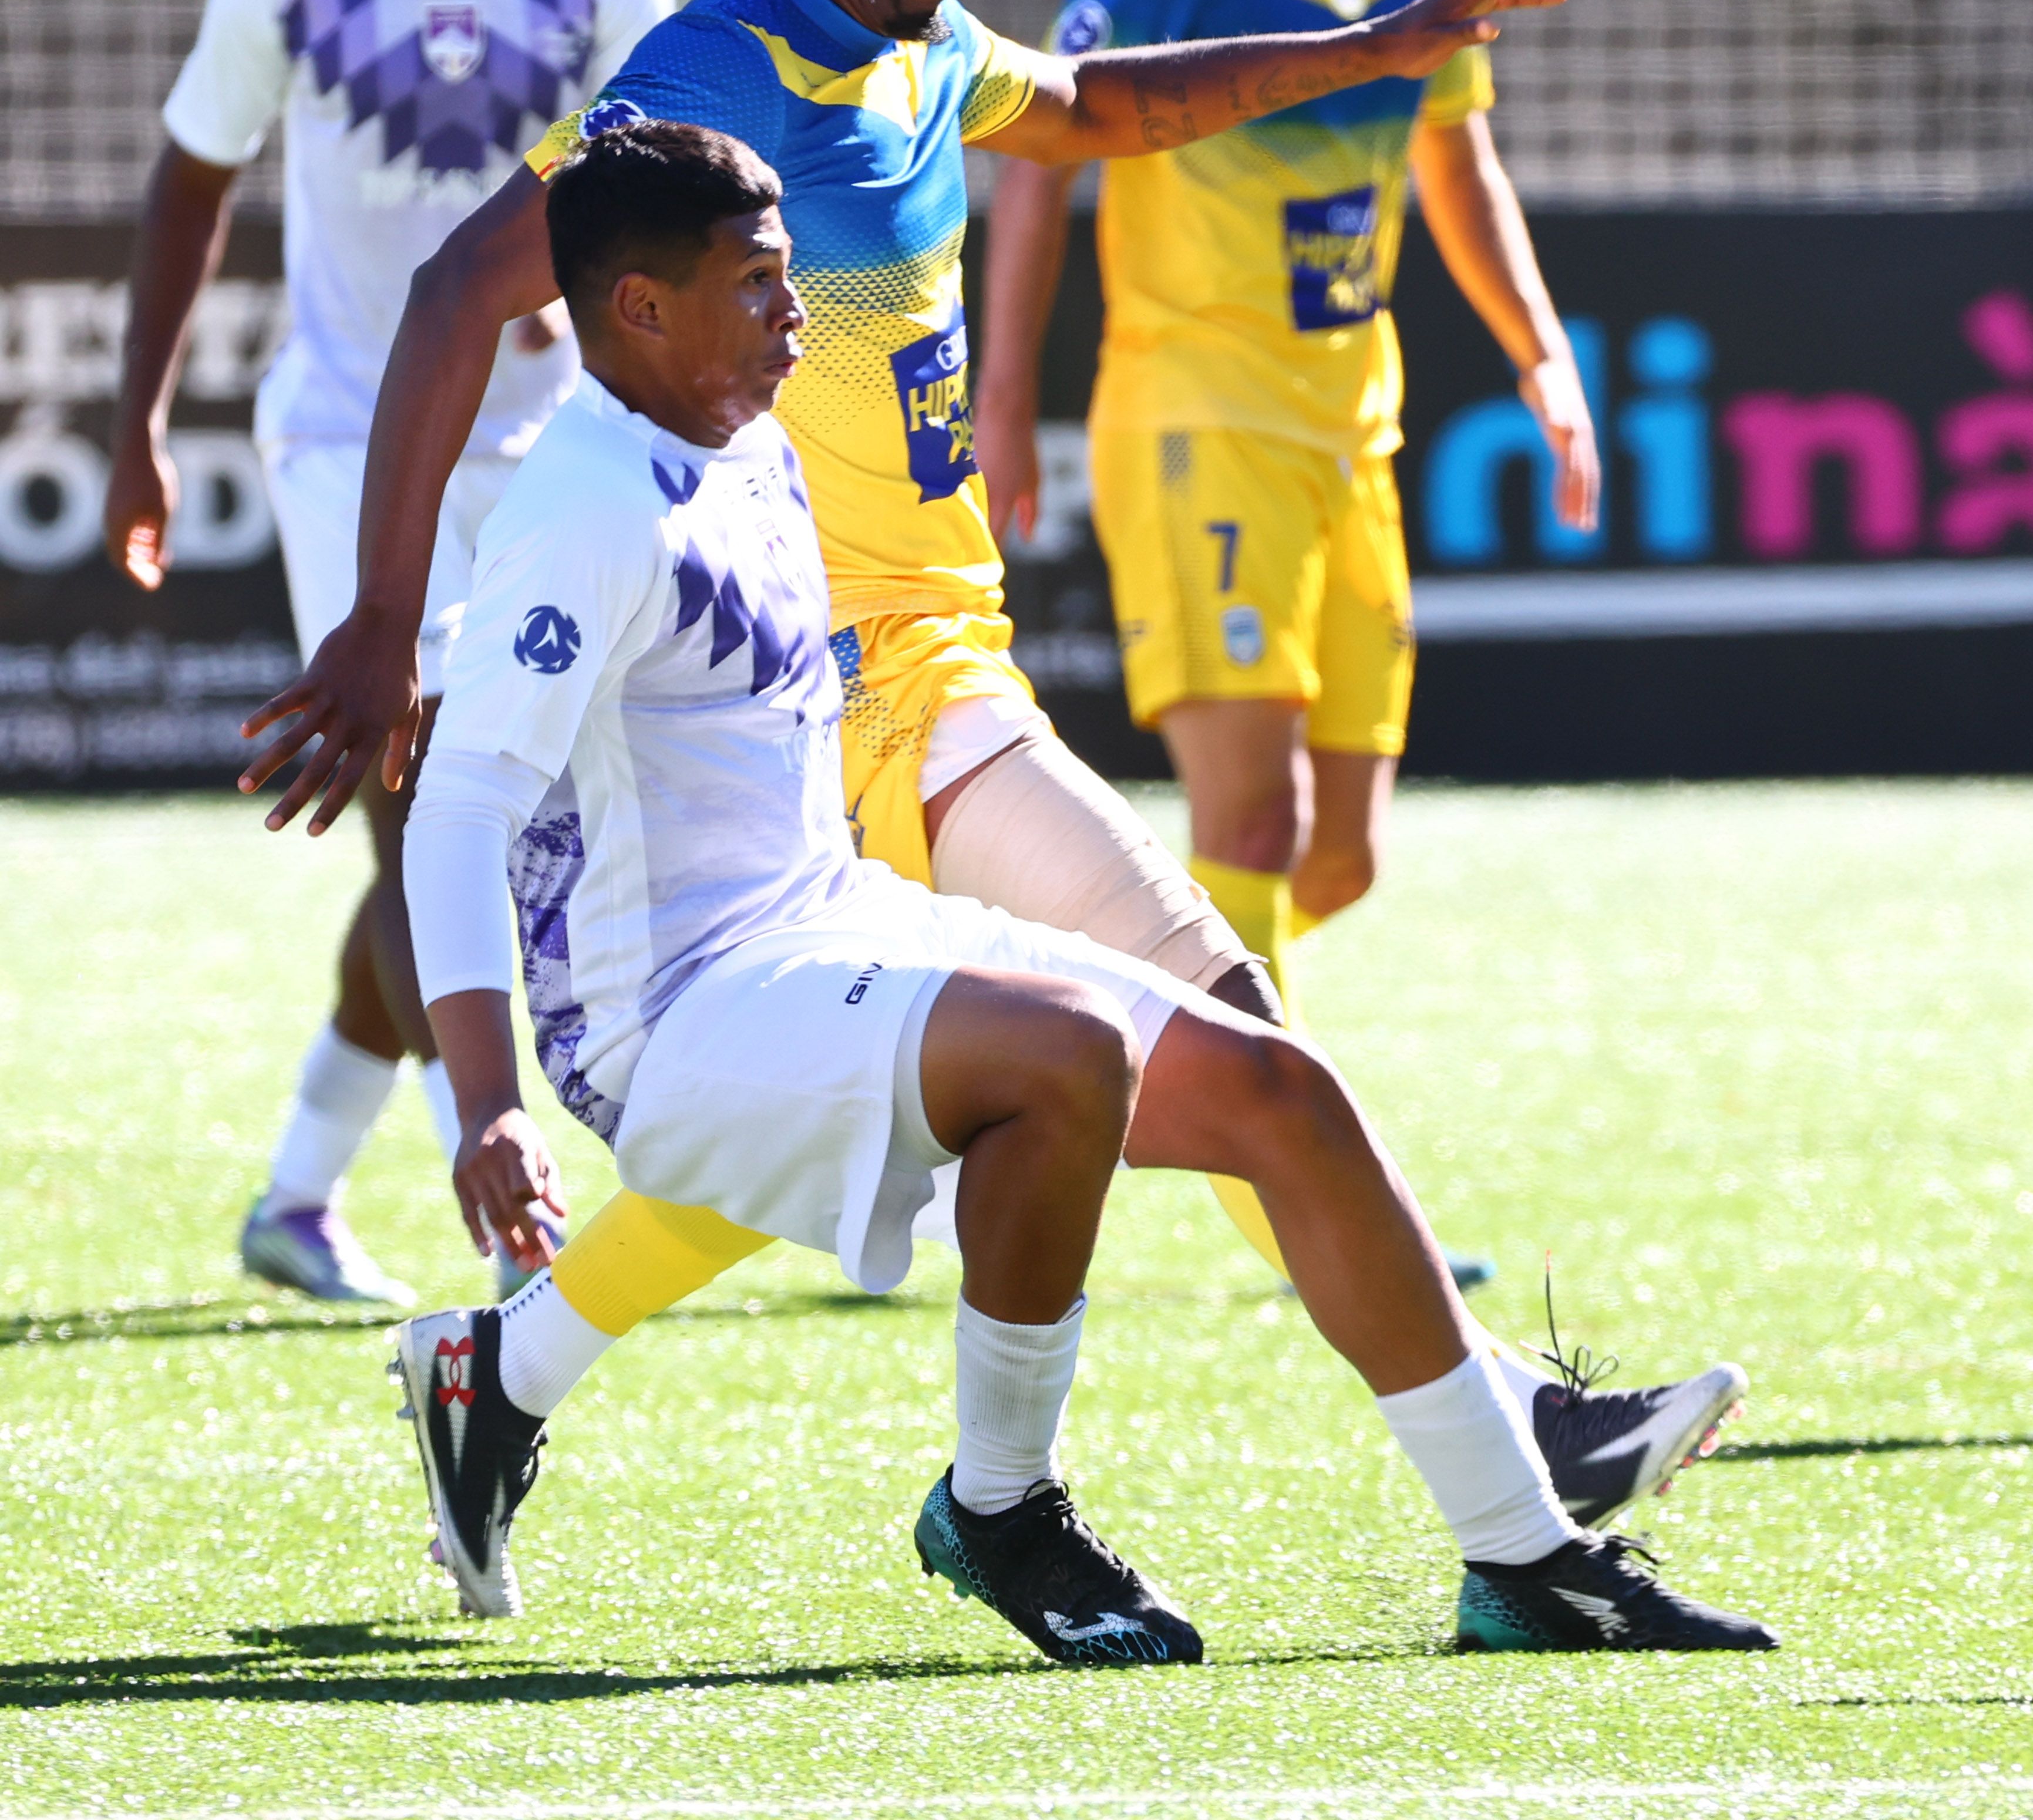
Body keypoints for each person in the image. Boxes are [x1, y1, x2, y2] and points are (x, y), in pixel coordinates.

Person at [253, 0, 1743, 1535]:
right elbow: (470, 288)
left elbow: (1107, 113)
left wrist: (1370, 49)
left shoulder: (923, 49)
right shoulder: (703, 77)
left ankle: (503, 1371)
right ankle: (1507, 1443)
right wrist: (387, 623)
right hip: (843, 689)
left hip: (950, 649)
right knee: (1229, 1035)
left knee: (865, 1128)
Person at [396, 116, 1771, 1661]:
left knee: (1278, 1093)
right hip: (672, 1021)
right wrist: (486, 1102)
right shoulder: (578, 512)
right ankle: (1005, 1505)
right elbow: (454, 813)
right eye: (764, 283)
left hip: (821, 932)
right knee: (1063, 1055)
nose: (802, 313)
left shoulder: (754, 445)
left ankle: (1526, 1557)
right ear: (640, 310)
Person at [109, 0, 672, 1307]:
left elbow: (663, 171)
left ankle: (295, 1195)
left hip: (555, 434)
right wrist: (140, 418)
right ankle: (498, 1206)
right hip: (349, 437)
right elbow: (188, 182)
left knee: (510, 819)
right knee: (426, 808)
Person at [975, 0, 1598, 1027]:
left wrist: (1541, 352)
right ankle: (1311, 1214)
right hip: (1199, 420)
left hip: (1348, 432)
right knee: (1248, 830)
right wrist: (1005, 398)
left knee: (1340, 856)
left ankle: (1066, 1019)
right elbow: (1033, 155)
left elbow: (1458, 160)